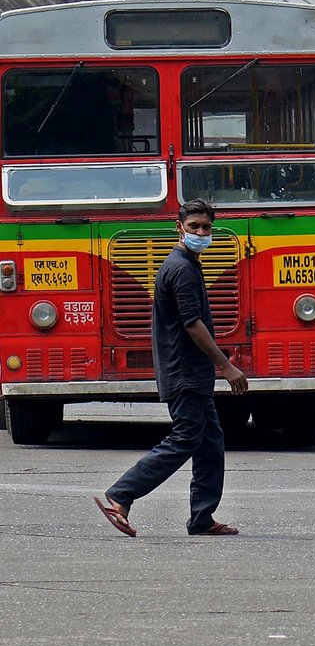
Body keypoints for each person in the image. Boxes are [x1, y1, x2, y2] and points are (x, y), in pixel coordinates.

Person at [93, 199, 249, 538]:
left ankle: (202, 518)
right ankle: (120, 495)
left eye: (206, 227)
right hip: (184, 371)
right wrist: (225, 366)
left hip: (191, 371)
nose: (200, 232)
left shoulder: (188, 264)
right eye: (193, 226)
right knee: (185, 439)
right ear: (179, 228)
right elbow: (192, 324)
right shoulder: (180, 268)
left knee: (210, 443)